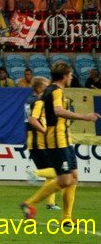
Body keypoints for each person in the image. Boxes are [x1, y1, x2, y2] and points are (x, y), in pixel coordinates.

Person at [21, 62, 101, 224]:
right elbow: (57, 111)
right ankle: (29, 204)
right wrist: (84, 117)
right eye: (70, 75)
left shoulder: (50, 90)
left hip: (64, 138)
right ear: (64, 76)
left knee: (74, 177)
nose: (71, 78)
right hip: (58, 140)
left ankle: (66, 218)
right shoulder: (55, 91)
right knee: (65, 180)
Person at [24, 76, 61, 213]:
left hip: (32, 141)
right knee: (57, 171)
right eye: (46, 87)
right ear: (39, 88)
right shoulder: (39, 101)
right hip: (40, 141)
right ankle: (34, 173)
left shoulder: (29, 101)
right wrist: (45, 131)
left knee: (51, 175)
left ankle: (51, 204)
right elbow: (33, 121)